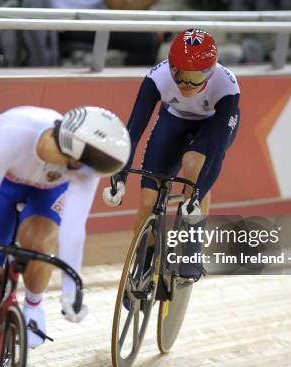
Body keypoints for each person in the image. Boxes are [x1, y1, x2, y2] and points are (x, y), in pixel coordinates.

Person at [0, 105, 131, 367]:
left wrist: (70, 291)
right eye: (84, 168)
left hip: (47, 193)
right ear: (71, 150)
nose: (88, 176)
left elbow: (73, 231)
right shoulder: (13, 136)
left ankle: (33, 306)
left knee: (39, 241)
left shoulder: (84, 165)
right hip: (4, 187)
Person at [103, 28, 241, 280]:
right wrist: (119, 180)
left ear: (209, 73)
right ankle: (142, 268)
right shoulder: (158, 77)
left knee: (193, 164)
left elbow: (217, 151)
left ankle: (191, 250)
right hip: (173, 121)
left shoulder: (226, 85)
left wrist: (195, 197)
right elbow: (132, 132)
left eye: (193, 79)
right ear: (171, 67)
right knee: (147, 202)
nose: (185, 85)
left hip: (212, 127)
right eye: (179, 76)